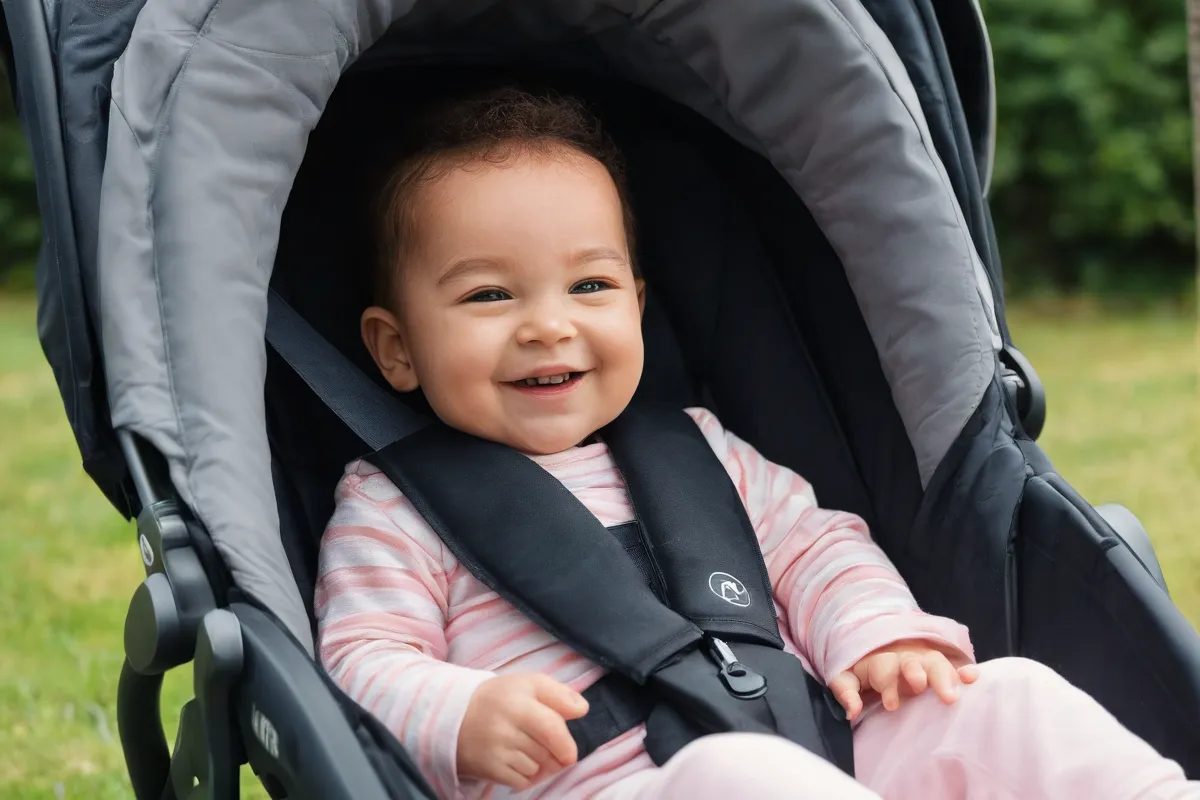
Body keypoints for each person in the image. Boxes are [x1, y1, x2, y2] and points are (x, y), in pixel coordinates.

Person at [314, 87, 1199, 800]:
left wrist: (875, 634)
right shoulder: (395, 507)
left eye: (589, 284)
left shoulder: (701, 451)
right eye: (488, 297)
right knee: (736, 777)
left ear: (638, 301)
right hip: (615, 781)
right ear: (396, 347)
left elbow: (816, 550)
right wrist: (460, 712)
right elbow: (362, 659)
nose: (550, 327)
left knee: (1008, 697)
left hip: (807, 745)